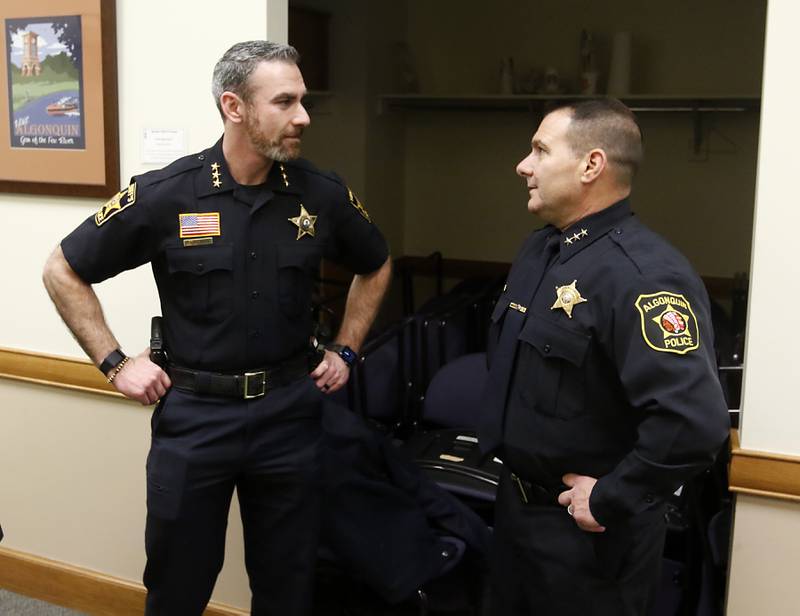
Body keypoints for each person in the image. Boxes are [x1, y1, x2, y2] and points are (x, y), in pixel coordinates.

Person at [42, 40, 391, 615]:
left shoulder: (320, 195)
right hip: (197, 419)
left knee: (290, 584)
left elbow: (376, 263)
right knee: (178, 585)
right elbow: (63, 268)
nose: (303, 116)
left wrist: (347, 349)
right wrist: (115, 363)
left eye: (302, 100)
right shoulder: (165, 194)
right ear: (235, 106)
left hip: (289, 416)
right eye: (285, 102)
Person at [478, 98, 730, 615]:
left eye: (540, 150)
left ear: (591, 164)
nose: (522, 166)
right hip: (515, 518)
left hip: (588, 538)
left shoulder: (645, 276)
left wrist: (612, 496)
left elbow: (694, 423)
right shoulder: (540, 251)